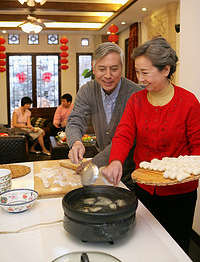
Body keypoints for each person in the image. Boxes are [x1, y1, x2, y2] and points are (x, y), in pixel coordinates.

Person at [102, 37, 200, 253]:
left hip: (180, 193)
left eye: (145, 73)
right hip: (145, 188)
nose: (140, 79)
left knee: (176, 248)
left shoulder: (188, 102)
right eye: (137, 72)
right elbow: (124, 134)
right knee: (146, 246)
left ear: (165, 69)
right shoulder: (136, 100)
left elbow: (198, 146)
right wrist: (116, 160)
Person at [66, 42, 142, 188]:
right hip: (102, 172)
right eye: (102, 69)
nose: (108, 75)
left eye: (114, 69)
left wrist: (95, 162)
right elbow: (75, 120)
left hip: (131, 173)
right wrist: (75, 142)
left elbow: (129, 137)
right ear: (93, 68)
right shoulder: (87, 90)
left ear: (122, 68)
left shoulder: (135, 94)